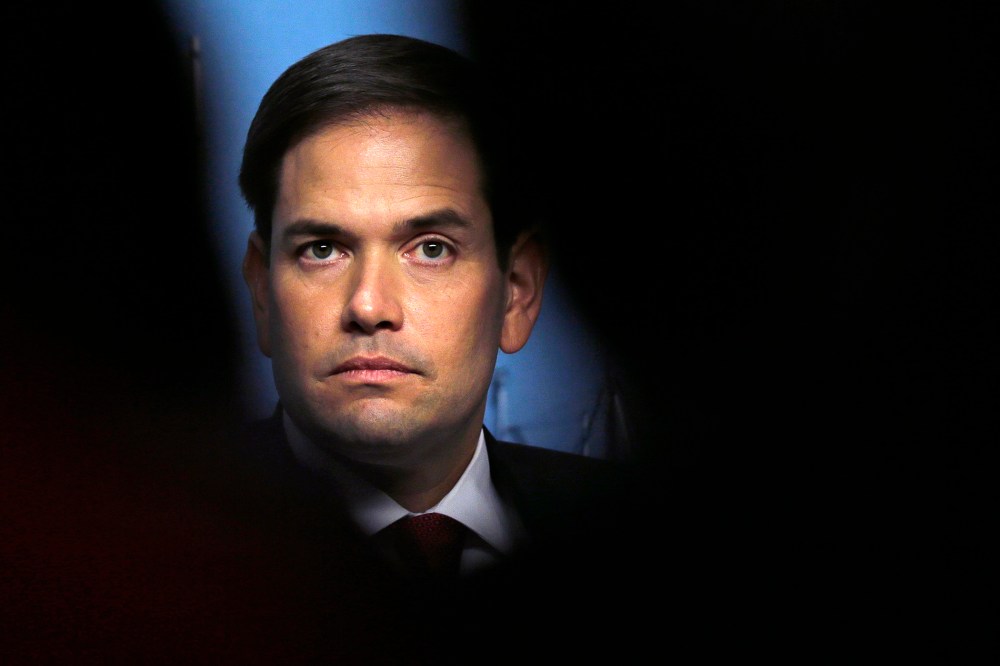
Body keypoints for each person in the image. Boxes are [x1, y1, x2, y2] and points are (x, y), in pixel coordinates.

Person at [234, 32, 626, 651]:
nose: (368, 306)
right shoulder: (148, 545)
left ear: (517, 292)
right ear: (261, 292)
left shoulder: (633, 540)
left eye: (431, 249)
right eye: (323, 250)